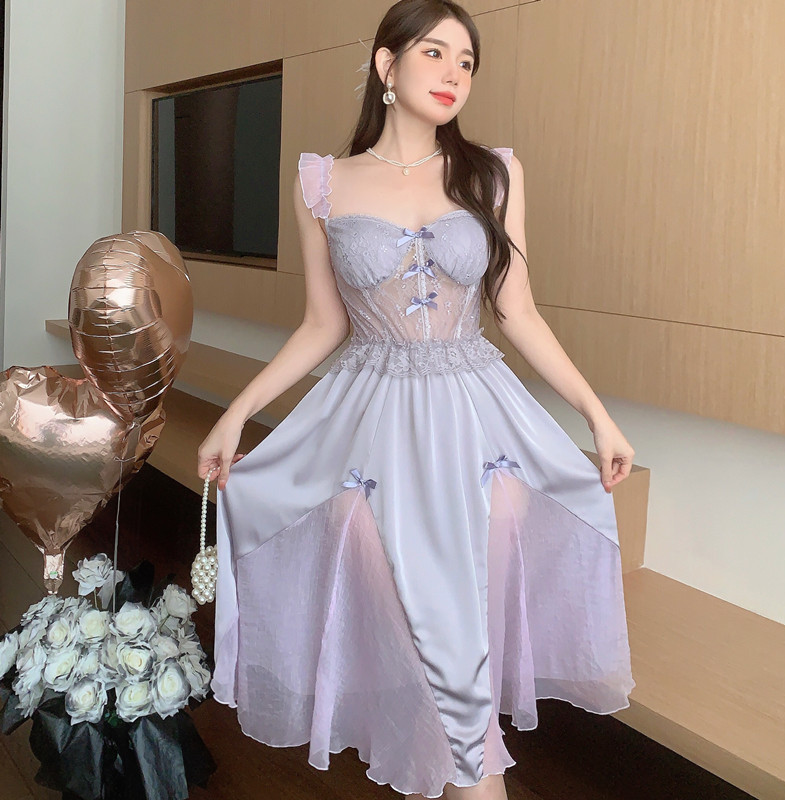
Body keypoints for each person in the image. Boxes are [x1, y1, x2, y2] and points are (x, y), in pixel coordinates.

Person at [197, 1, 636, 797]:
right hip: (370, 422)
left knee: (462, 649)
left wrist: (596, 416)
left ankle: (470, 765)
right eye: (434, 53)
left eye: (466, 62)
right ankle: (470, 765)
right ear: (386, 64)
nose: (453, 74)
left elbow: (518, 311)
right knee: (424, 641)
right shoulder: (322, 182)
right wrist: (235, 415)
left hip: (478, 418)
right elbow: (322, 324)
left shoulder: (493, 173)